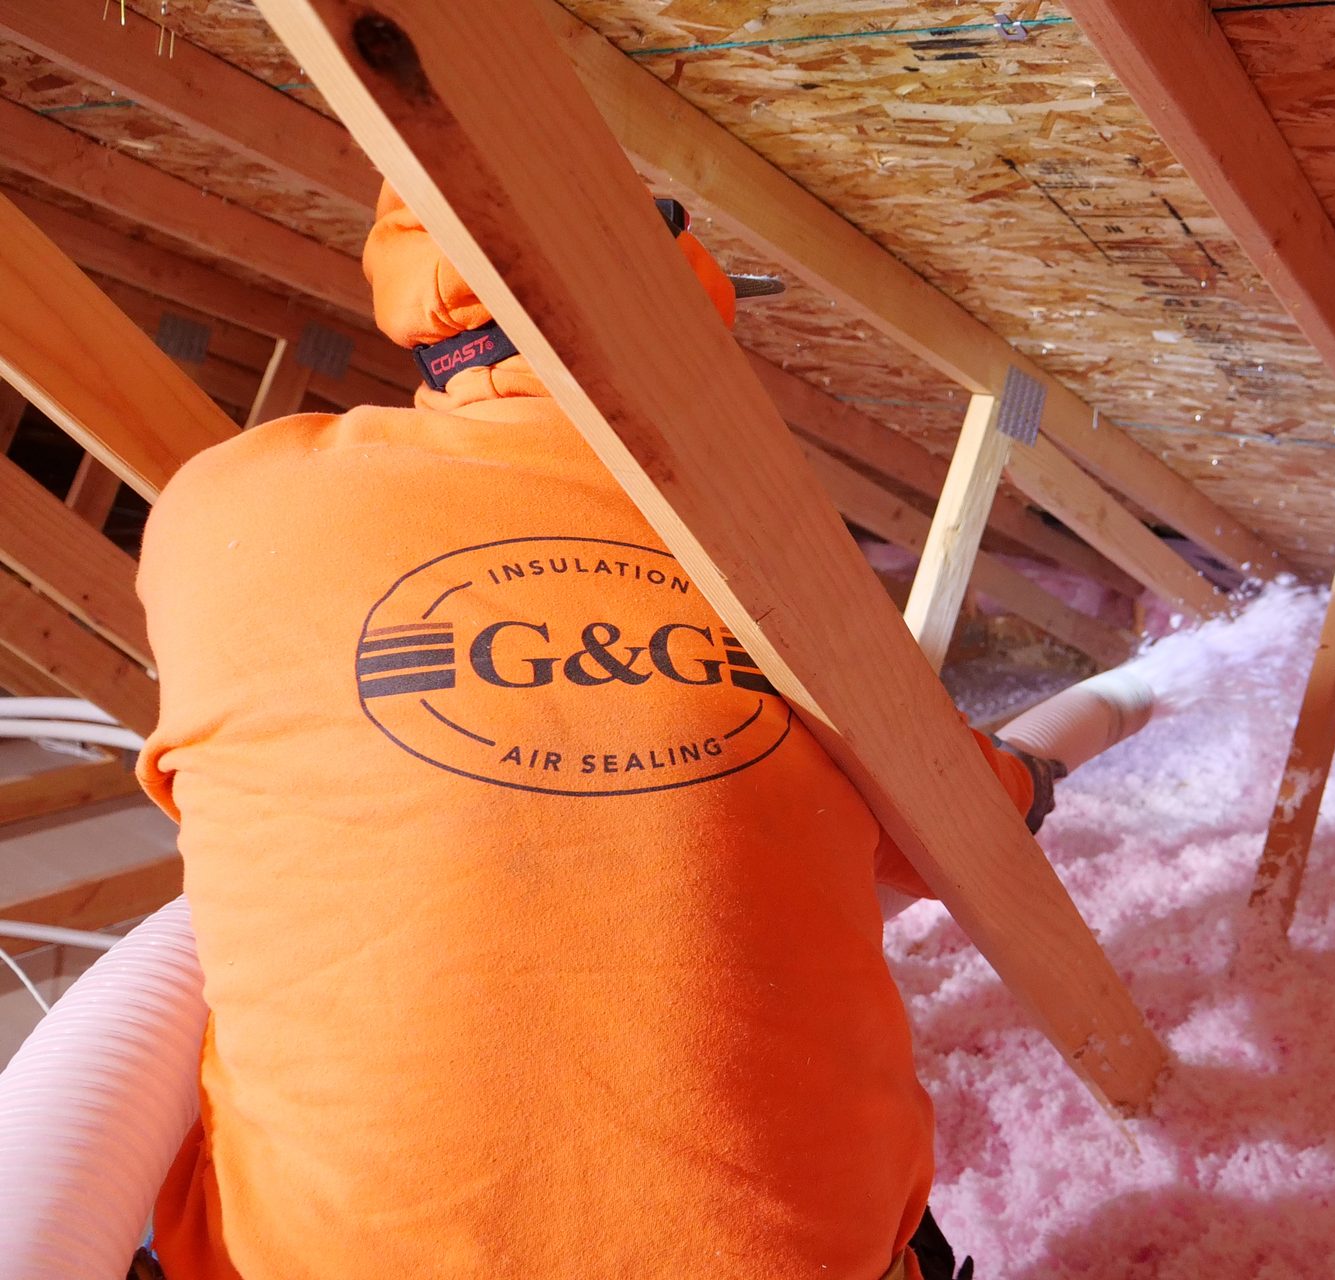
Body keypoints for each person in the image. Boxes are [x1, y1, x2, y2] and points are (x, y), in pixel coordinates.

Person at [133, 183, 1055, 1279]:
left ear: (420, 304)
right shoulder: (767, 547)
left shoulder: (225, 504)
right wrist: (1030, 780)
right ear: (684, 316)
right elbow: (960, 824)